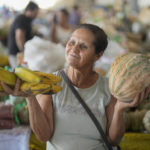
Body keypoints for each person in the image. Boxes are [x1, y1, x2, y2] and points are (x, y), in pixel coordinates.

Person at [1, 24, 149, 150]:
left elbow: (113, 140)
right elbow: (43, 136)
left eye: (83, 46)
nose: (74, 49)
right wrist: (30, 97)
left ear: (98, 55)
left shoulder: (107, 88)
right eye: (71, 42)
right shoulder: (50, 83)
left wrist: (119, 109)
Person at [8, 1, 39, 69]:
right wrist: (24, 53)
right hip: (17, 55)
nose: (36, 15)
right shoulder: (22, 19)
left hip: (19, 54)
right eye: (35, 13)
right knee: (19, 76)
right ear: (29, 10)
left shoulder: (26, 20)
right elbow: (19, 37)